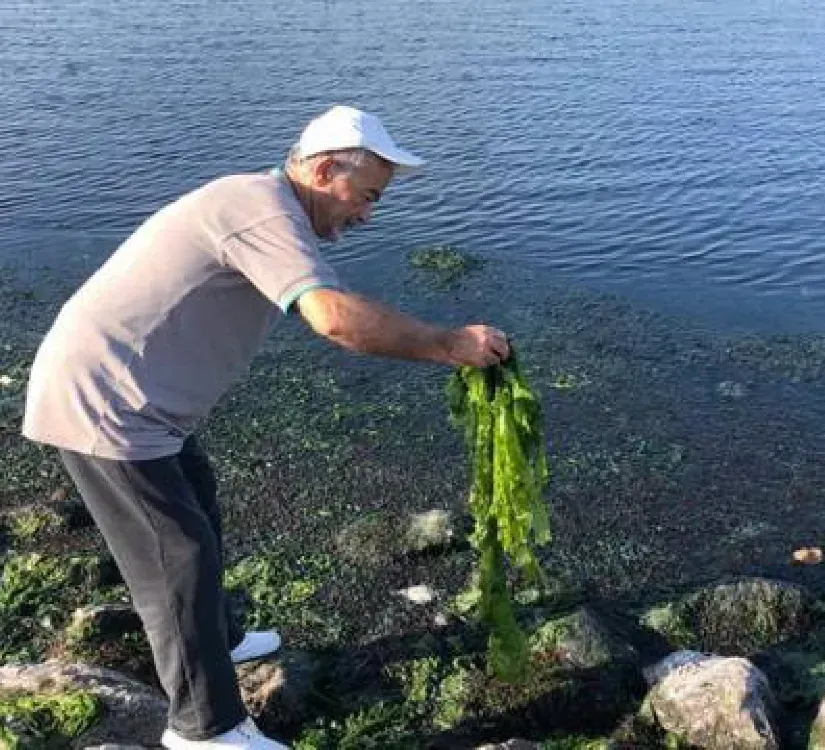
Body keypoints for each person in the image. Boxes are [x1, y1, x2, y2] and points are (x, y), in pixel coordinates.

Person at [21, 105, 510, 750]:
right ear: (325, 169)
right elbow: (332, 317)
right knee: (178, 557)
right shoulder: (261, 209)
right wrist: (447, 344)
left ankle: (219, 640)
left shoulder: (266, 207)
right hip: (105, 406)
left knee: (199, 508)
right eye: (367, 196)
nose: (368, 215)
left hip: (145, 405)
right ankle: (204, 730)